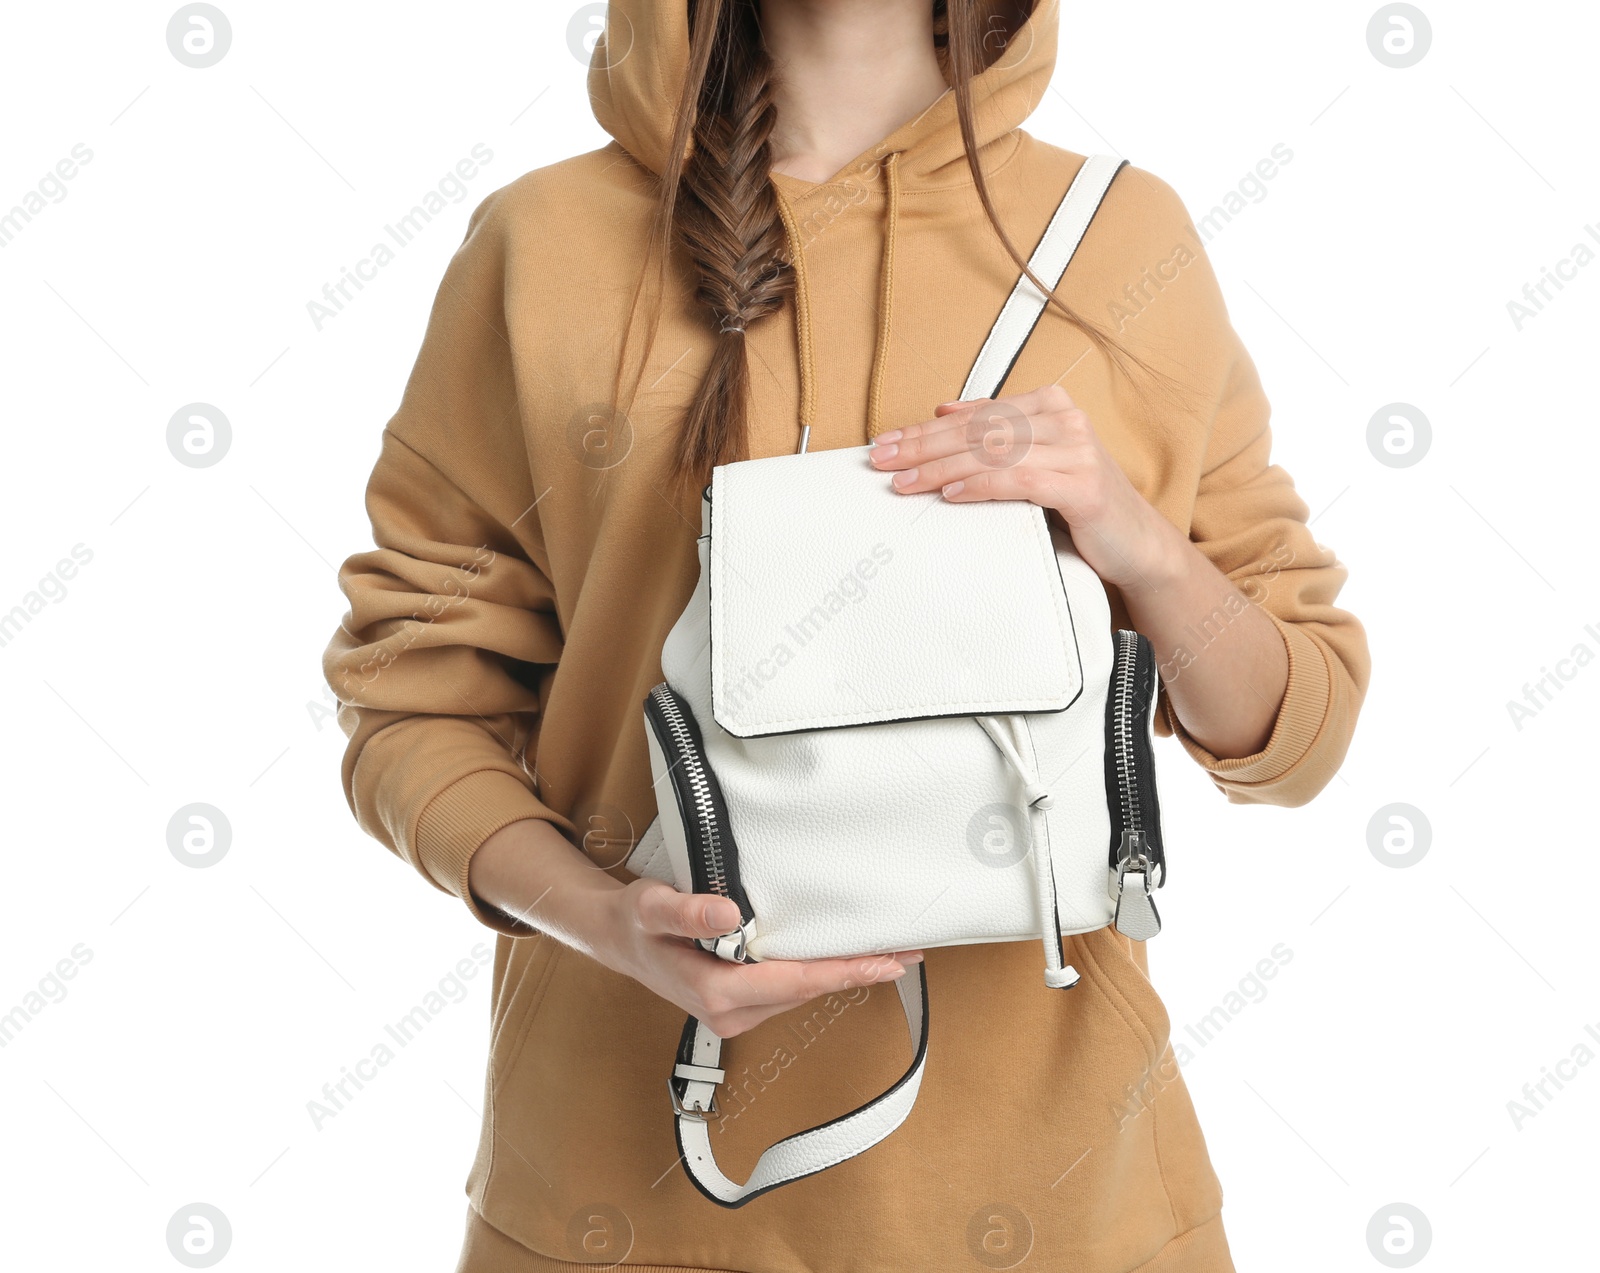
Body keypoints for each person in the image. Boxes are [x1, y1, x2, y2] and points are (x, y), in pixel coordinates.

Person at [322, 1, 1370, 1269]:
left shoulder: (1118, 240)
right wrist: (606, 920)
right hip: (615, 1195)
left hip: (1065, 1209)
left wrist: (1128, 529)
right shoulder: (540, 243)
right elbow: (411, 700)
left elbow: (1296, 730)